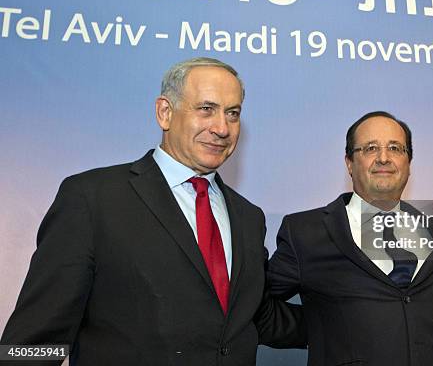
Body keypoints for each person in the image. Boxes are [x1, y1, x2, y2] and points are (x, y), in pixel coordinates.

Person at [1, 57, 304, 365]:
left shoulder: (249, 217)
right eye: (206, 109)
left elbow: (258, 317)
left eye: (233, 113)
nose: (222, 128)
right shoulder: (93, 198)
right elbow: (35, 340)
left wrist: (350, 318)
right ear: (165, 112)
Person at [267, 111, 433, 366]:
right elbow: (254, 305)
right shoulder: (305, 232)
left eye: (395, 148)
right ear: (349, 163)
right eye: (370, 148)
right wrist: (319, 330)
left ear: (409, 163)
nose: (384, 158)